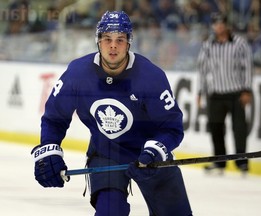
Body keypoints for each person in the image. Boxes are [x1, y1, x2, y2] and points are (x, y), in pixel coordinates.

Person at [31, 11, 192, 216]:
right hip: (107, 153)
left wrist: (155, 151)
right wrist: (49, 149)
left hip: (151, 155)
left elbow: (172, 128)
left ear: (129, 43)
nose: (113, 46)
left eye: (120, 39)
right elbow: (54, 118)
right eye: (107, 39)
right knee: (110, 212)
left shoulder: (151, 77)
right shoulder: (78, 74)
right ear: (98, 42)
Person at [197, 12, 253, 175]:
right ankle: (220, 162)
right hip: (215, 93)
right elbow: (202, 69)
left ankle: (241, 162)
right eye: (216, 23)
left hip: (236, 92)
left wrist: (246, 90)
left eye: (221, 23)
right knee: (215, 127)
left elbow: (248, 67)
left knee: (239, 128)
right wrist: (201, 92)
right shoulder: (208, 45)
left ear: (227, 25)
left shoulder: (239, 43)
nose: (219, 27)